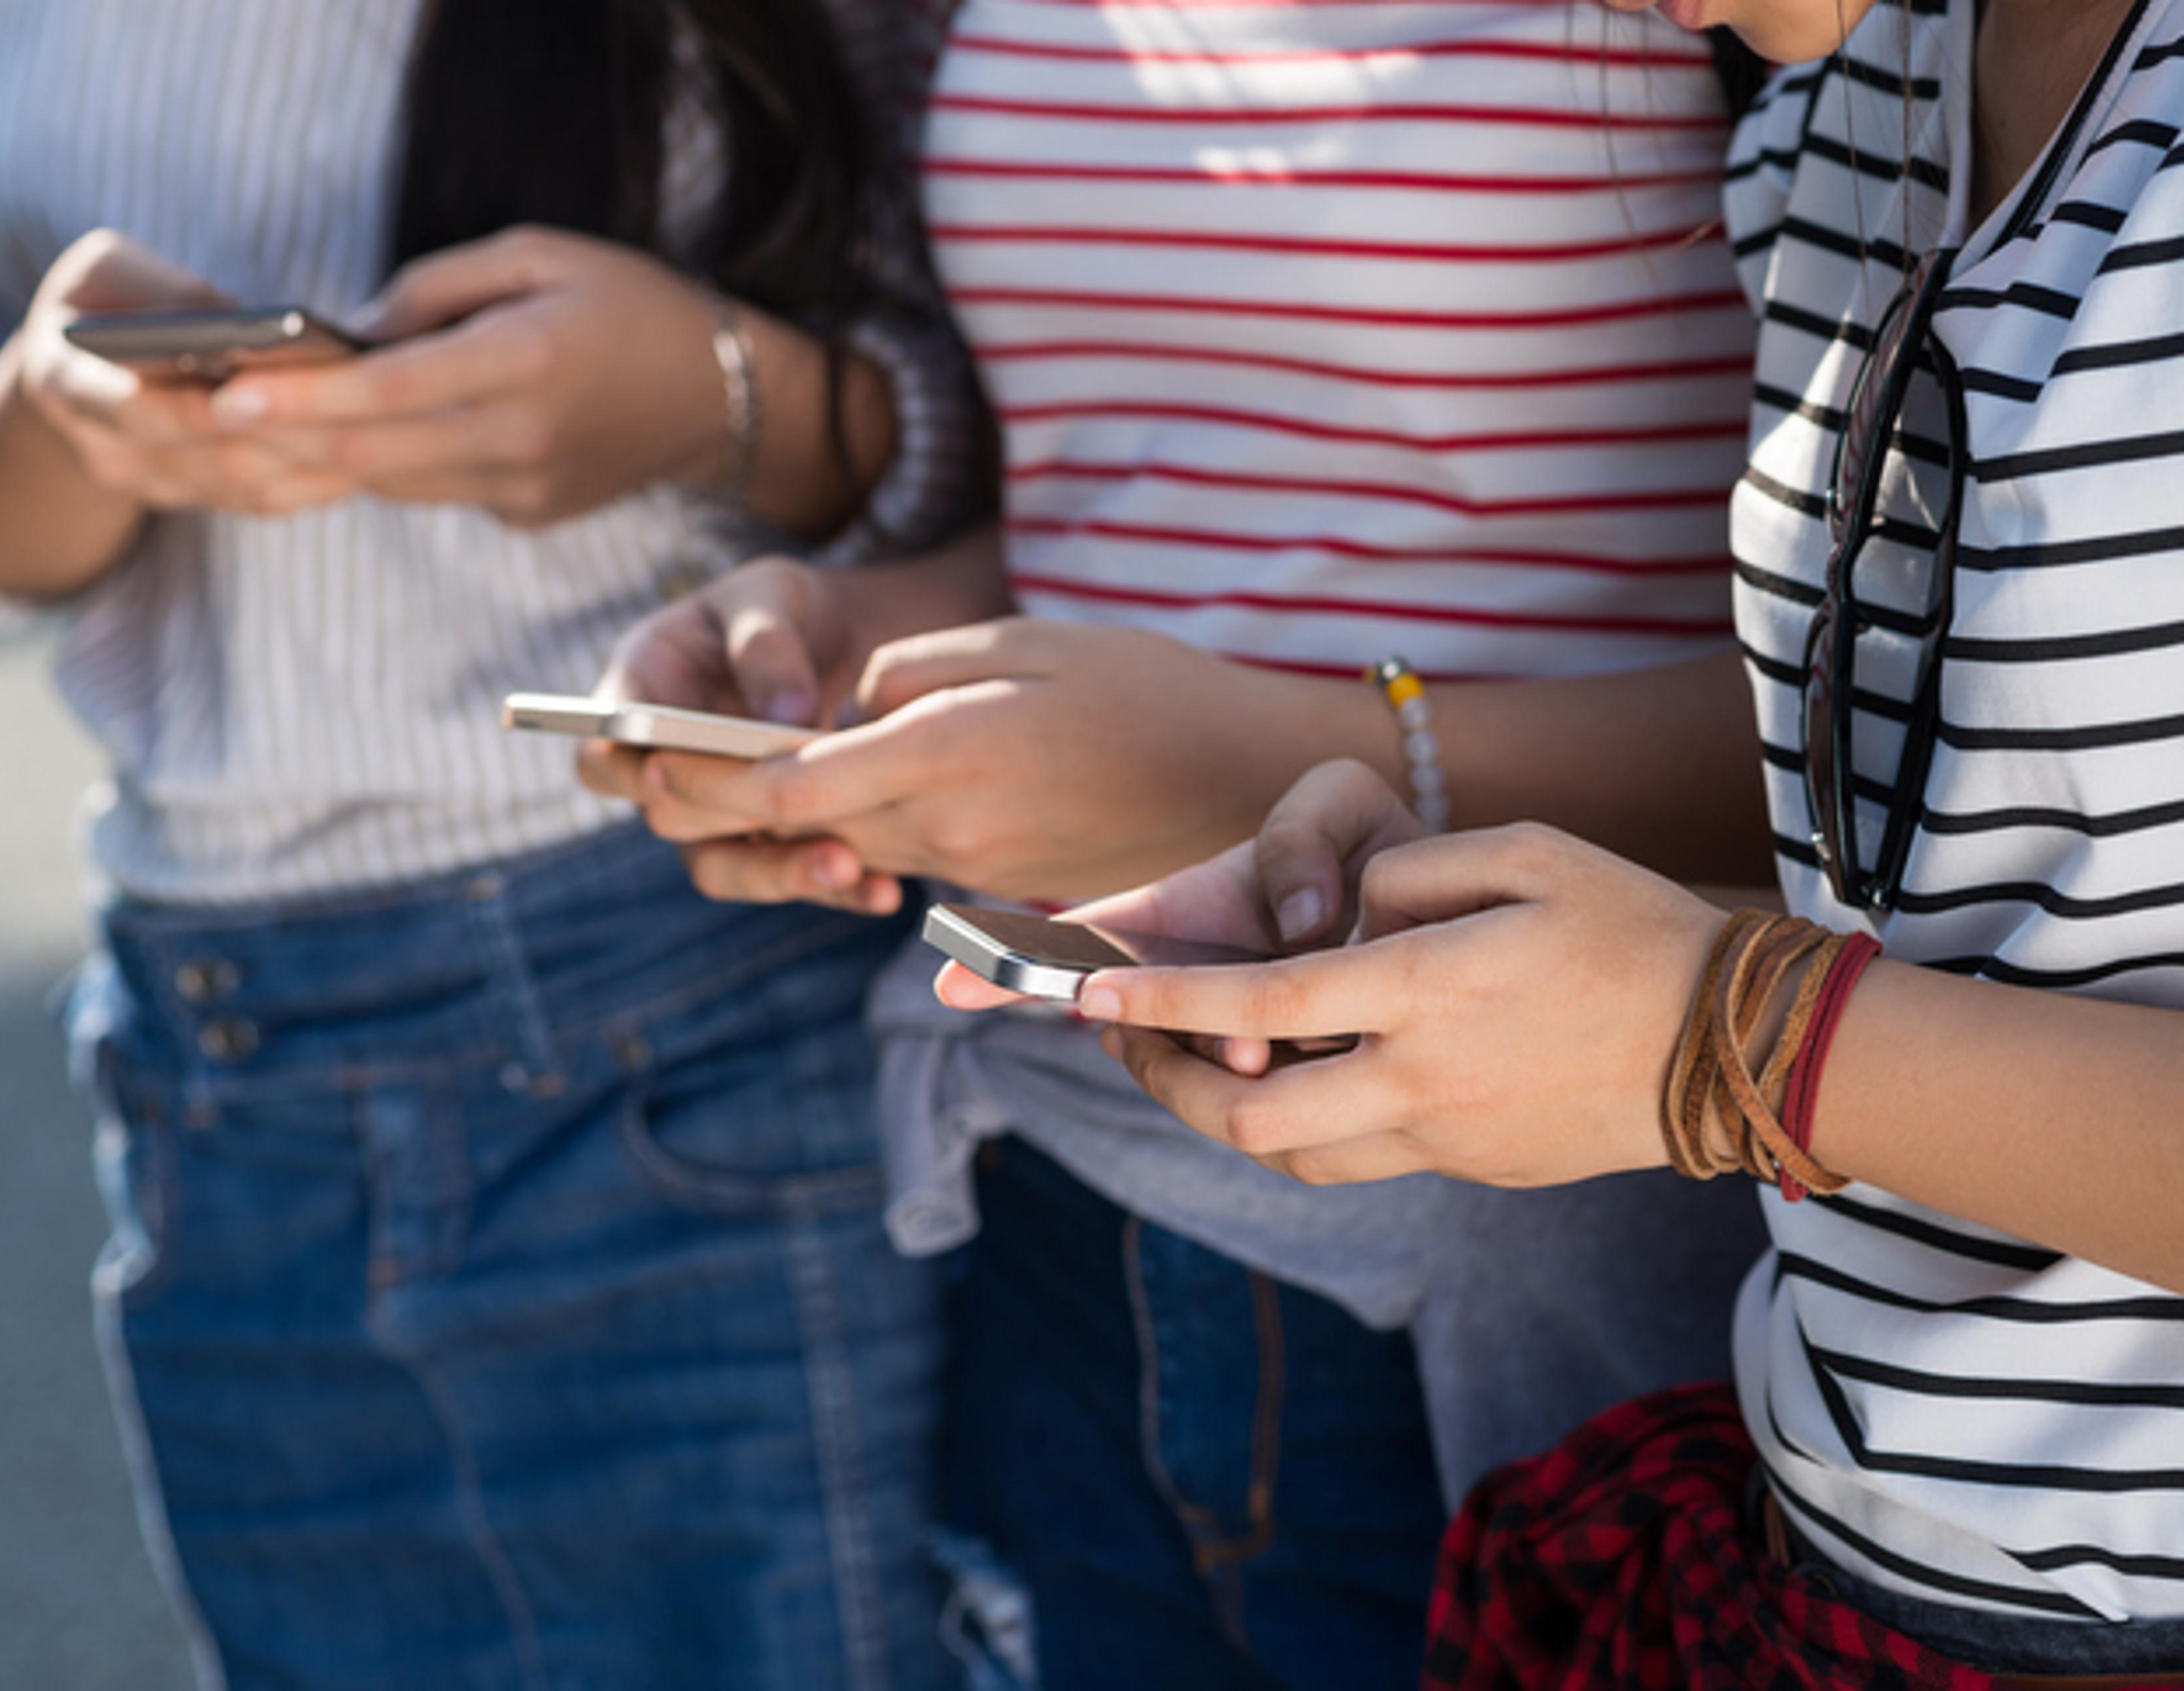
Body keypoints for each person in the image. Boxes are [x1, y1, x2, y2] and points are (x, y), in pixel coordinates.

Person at [0, 2, 990, 1686]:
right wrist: (59, 425)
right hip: (216, 1064)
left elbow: (1050, 438)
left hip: (695, 998)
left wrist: (711, 396)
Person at [587, 6, 1781, 1684]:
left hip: (1478, 1238)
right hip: (1055, 1165)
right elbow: (1142, 492)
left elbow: (1913, 714)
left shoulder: (1767, 29)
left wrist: (1273, 757)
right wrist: (853, 643)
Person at [996, 0, 2184, 1680]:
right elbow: (1990, 876)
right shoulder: (1851, 97)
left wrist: (1715, 1037)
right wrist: (1473, 930)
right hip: (1835, 1577)